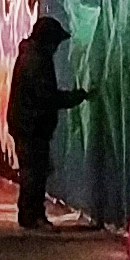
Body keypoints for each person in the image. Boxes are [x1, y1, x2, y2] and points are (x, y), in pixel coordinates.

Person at [7, 17, 92, 231]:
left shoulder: (31, 56)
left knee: (33, 171)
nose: (56, 48)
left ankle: (30, 215)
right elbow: (46, 96)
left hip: (27, 123)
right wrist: (76, 97)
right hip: (32, 125)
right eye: (55, 42)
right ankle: (32, 216)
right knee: (34, 173)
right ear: (48, 41)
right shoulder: (37, 60)